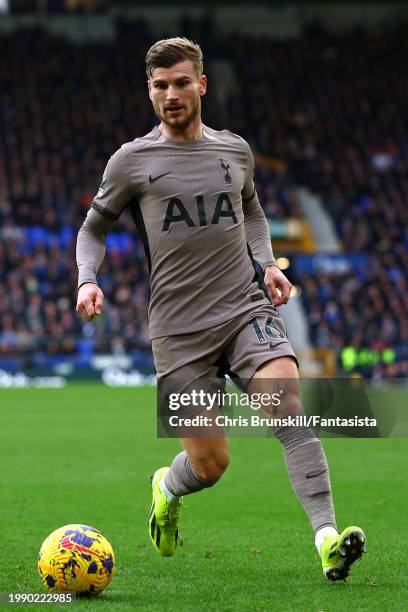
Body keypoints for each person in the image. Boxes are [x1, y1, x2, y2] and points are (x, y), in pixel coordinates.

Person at [76, 37, 366, 582]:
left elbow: (252, 209)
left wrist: (268, 265)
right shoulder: (131, 161)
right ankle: (167, 487)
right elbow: (93, 228)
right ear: (149, 91)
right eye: (160, 86)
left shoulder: (234, 150)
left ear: (201, 84)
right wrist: (86, 280)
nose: (171, 94)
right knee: (210, 466)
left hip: (243, 308)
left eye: (181, 82)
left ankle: (327, 538)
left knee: (287, 408)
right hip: (178, 332)